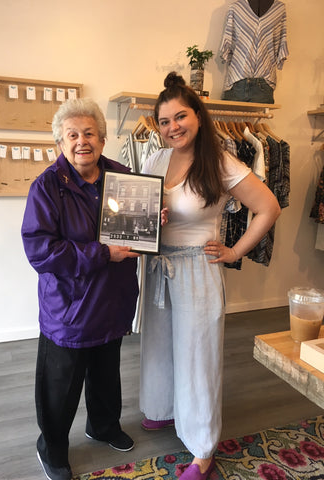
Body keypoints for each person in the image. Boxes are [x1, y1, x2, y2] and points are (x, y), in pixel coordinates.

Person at [139, 72, 281, 480]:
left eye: (179, 117)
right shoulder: (155, 159)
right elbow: (141, 215)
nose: (172, 128)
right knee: (161, 346)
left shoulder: (220, 160)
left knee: (198, 355)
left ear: (198, 115)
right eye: (164, 121)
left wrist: (235, 250)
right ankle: (163, 410)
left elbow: (268, 207)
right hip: (158, 269)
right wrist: (153, 220)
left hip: (197, 270)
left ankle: (202, 449)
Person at [21, 97, 140, 480]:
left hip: (114, 299)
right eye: (72, 135)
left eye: (89, 133)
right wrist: (101, 253)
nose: (81, 141)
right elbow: (41, 251)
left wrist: (152, 220)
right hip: (70, 308)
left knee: (107, 372)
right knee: (60, 385)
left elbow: (135, 230)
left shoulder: (123, 177)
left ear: (103, 140)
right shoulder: (47, 187)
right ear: (60, 143)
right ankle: (51, 446)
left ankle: (103, 426)